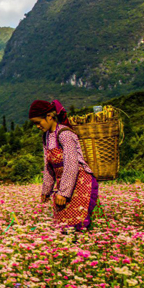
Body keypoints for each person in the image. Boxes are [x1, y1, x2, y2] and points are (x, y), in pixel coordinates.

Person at [28, 99, 99, 231]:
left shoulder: (65, 134)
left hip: (80, 183)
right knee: (63, 225)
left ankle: (82, 249)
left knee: (77, 224)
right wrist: (46, 190)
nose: (37, 126)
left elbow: (71, 163)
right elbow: (48, 167)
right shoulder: (46, 137)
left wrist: (64, 193)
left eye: (38, 122)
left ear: (49, 116)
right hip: (64, 184)